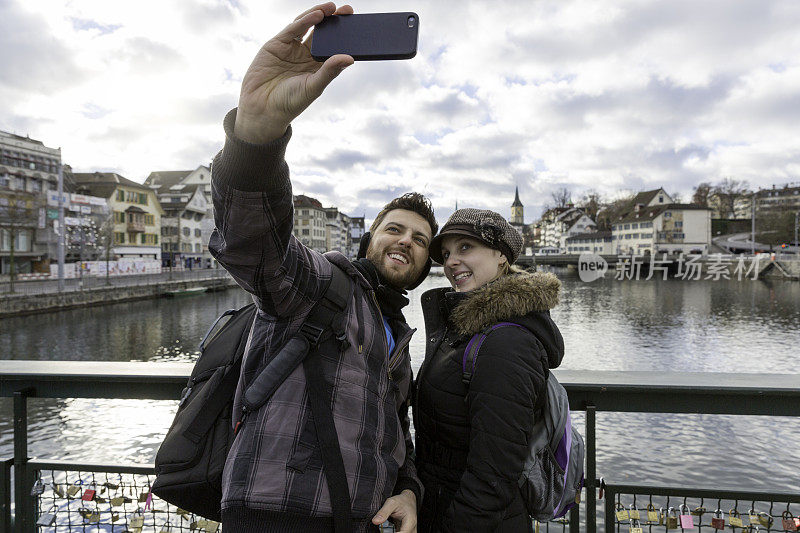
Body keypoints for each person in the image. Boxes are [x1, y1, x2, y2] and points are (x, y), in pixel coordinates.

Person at [207, 4, 432, 532]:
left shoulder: (394, 330)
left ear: (427, 264)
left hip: (361, 519)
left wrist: (409, 489)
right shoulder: (321, 283)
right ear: (367, 239)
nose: (406, 242)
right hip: (277, 515)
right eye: (394, 230)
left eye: (421, 240)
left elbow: (392, 430)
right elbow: (255, 245)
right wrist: (256, 139)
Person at [412, 208, 566, 533]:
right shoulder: (469, 326)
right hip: (445, 506)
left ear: (500, 256)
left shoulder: (506, 340)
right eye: (447, 253)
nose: (452, 261)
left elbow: (493, 475)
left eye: (466, 247)